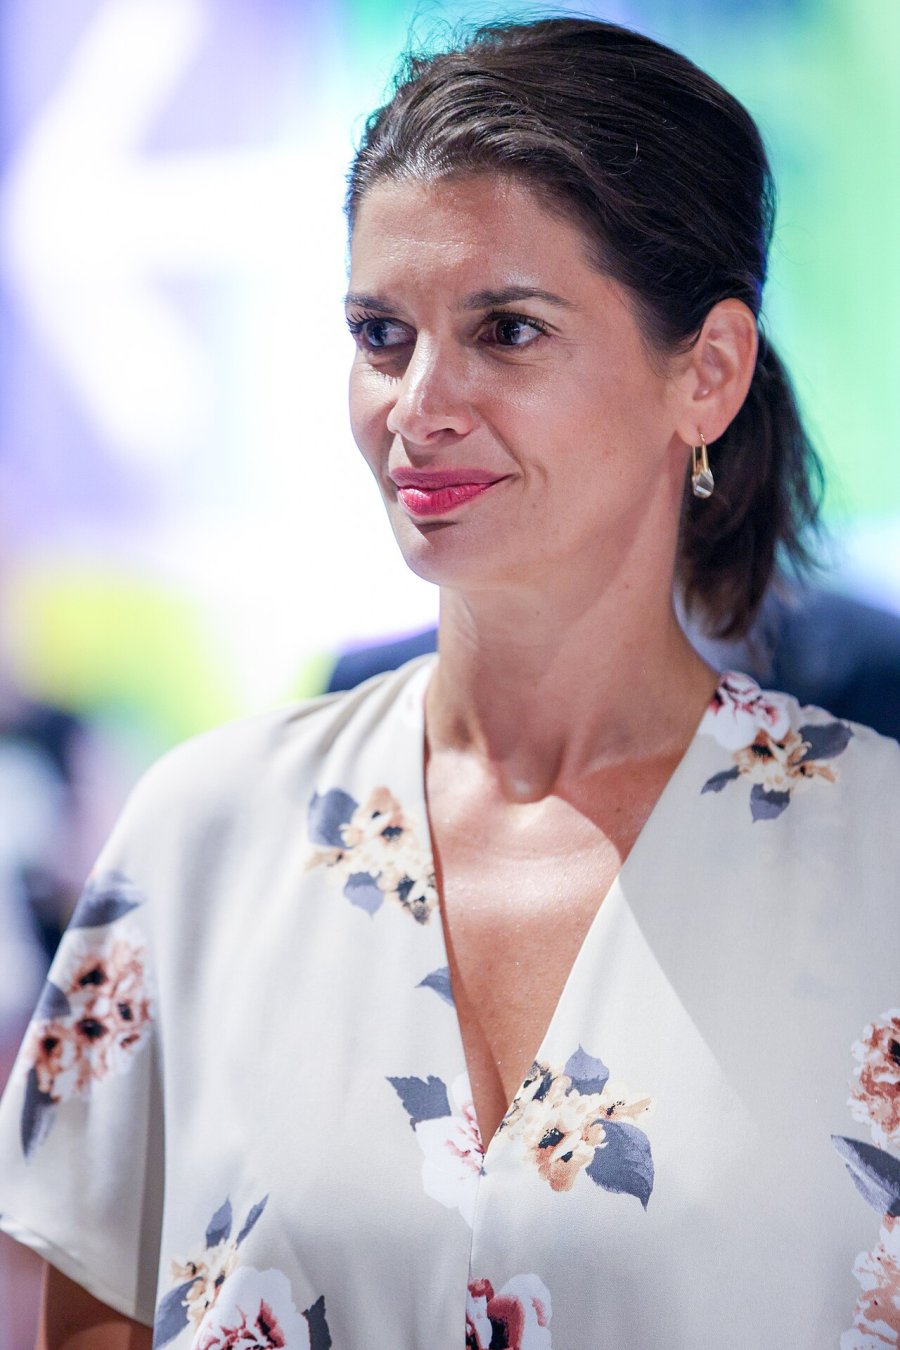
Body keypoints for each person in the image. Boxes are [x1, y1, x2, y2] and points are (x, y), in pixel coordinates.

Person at [0, 16, 898, 1350]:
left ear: (707, 372)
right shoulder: (202, 838)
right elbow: (94, 1323)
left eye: (508, 330)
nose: (417, 404)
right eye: (381, 333)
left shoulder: (878, 859)